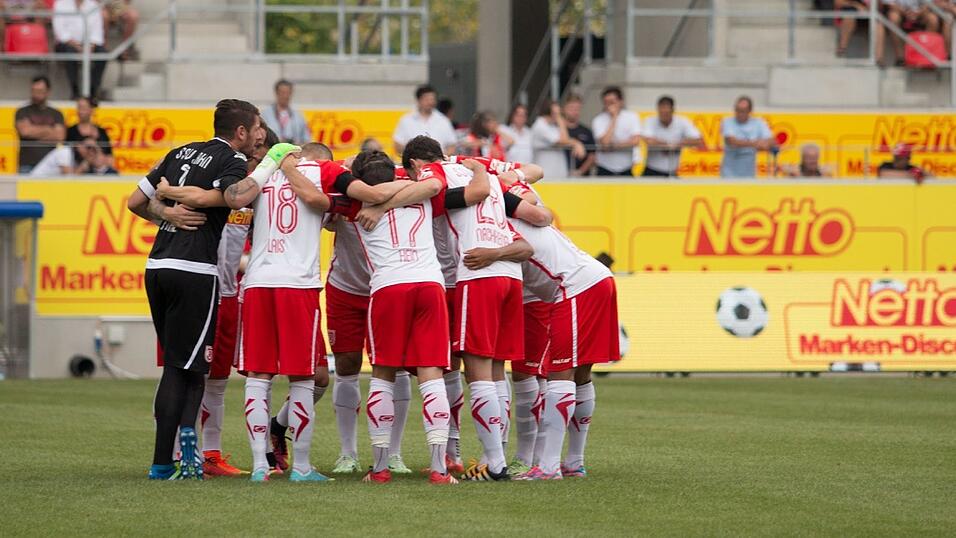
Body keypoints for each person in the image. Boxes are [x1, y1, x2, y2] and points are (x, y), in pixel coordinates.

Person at [368, 135, 548, 482]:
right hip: (509, 271)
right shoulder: (481, 168)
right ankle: (488, 453)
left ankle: (491, 462)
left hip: (469, 273)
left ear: (417, 166)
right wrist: (488, 170)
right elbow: (534, 176)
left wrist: (380, 205)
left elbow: (437, 191)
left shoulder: (436, 174)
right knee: (496, 370)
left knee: (466, 369)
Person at [126, 99, 273, 481]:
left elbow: (135, 201)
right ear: (240, 131)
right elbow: (233, 197)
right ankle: (168, 462)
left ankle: (177, 457)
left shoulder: (180, 151)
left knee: (181, 366)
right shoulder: (233, 162)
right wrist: (180, 202)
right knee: (188, 370)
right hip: (194, 270)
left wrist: (166, 205)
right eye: (256, 127)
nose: (259, 134)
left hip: (157, 266)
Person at [345, 150, 459, 485]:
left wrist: (378, 204)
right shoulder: (421, 192)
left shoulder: (357, 204)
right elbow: (436, 184)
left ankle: (379, 469)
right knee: (432, 374)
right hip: (429, 284)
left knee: (383, 374)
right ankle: (439, 470)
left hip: (389, 286)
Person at [496, 175, 619, 480]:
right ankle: (574, 462)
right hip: (595, 278)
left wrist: (490, 254)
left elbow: (523, 249)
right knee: (580, 375)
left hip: (573, 286)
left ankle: (549, 466)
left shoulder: (499, 222)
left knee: (559, 373)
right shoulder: (518, 210)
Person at [195, 124, 275, 478]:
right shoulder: (217, 177)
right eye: (254, 153)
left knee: (218, 380)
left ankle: (210, 455)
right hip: (198, 287)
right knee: (183, 377)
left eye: (261, 156)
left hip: (228, 294)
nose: (255, 160)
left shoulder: (256, 193)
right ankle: (172, 451)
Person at [53, 0, 107, 99]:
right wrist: (76, 45)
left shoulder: (93, 5)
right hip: (67, 43)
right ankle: (75, 90)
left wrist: (91, 45)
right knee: (70, 52)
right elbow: (60, 30)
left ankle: (93, 90)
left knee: (102, 54)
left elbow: (97, 31)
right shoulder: (60, 4)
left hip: (88, 44)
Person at [641, 95, 702, 177]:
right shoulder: (650, 121)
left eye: (666, 112)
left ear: (672, 110)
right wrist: (668, 145)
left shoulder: (682, 122)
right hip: (651, 170)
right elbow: (648, 140)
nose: (663, 114)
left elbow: (698, 140)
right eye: (661, 111)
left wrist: (677, 144)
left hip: (672, 171)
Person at [15, 76, 66, 174]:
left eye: (39, 91)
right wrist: (49, 129)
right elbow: (25, 131)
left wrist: (34, 132)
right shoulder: (22, 111)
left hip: (50, 165)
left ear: (48, 92)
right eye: (33, 91)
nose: (35, 94)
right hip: (27, 164)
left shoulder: (56, 113)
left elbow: (60, 136)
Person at [392, 85, 457, 155]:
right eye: (426, 99)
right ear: (418, 100)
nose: (430, 102)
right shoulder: (406, 120)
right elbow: (397, 145)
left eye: (432, 99)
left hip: (438, 163)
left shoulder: (443, 120)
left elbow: (452, 145)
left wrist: (442, 159)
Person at [591, 86, 642, 176]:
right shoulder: (598, 120)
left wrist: (614, 146)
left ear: (621, 102)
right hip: (604, 167)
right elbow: (605, 143)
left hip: (626, 167)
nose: (609, 106)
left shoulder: (632, 116)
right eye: (606, 103)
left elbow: (636, 140)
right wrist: (614, 118)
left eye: (612, 102)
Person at [720, 96, 774, 178]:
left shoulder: (758, 123)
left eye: (742, 111)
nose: (739, 114)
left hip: (748, 173)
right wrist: (755, 143)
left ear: (749, 111)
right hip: (729, 173)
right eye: (737, 110)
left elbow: (770, 140)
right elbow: (731, 141)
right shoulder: (727, 122)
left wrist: (765, 144)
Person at [532, 100, 584, 179]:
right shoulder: (540, 125)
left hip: (557, 173)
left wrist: (575, 143)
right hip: (546, 174)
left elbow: (566, 139)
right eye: (557, 113)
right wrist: (577, 143)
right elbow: (563, 140)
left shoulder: (552, 126)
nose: (560, 116)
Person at [884, 0, 940, 66]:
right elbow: (890, 4)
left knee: (932, 19)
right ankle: (900, 59)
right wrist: (905, 13)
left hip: (920, 12)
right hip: (900, 12)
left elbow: (928, 4)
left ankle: (926, 57)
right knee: (893, 17)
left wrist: (918, 13)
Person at [66, 96, 113, 169]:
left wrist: (95, 148)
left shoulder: (102, 132)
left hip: (100, 171)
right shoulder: (70, 131)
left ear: (91, 110)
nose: (80, 111)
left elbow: (110, 158)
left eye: (84, 108)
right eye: (79, 108)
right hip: (78, 171)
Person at [261, 79, 311, 145]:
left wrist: (296, 144)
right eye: (282, 92)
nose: (285, 96)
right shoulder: (265, 115)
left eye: (288, 93)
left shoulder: (298, 116)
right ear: (276, 93)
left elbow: (306, 140)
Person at [563, 94, 596, 177]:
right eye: (571, 108)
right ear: (564, 109)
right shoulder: (557, 130)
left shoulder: (586, 131)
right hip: (559, 175)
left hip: (582, 178)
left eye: (577, 109)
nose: (574, 112)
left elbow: (592, 156)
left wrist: (580, 172)